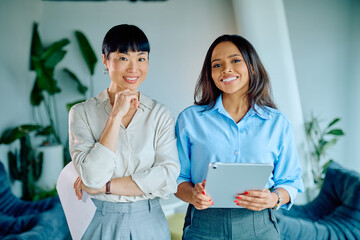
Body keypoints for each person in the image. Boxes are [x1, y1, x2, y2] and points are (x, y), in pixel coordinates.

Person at [175, 34, 304, 239]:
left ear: (252, 67)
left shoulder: (278, 123)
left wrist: (272, 199)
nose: (226, 69)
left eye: (235, 61)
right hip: (204, 226)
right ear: (210, 73)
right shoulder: (189, 120)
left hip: (259, 225)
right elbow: (177, 180)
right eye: (217, 65)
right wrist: (193, 195)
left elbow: (291, 181)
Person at [69, 24, 180, 240]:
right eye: (123, 58)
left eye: (141, 58)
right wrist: (115, 116)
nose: (133, 68)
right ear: (105, 60)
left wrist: (107, 186)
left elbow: (167, 176)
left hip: (149, 221)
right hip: (99, 221)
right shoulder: (81, 113)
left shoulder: (160, 114)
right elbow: (92, 178)